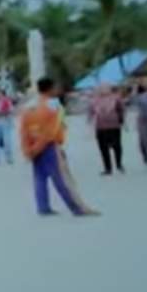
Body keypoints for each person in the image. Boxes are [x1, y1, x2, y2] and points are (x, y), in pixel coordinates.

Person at [21, 78, 98, 216]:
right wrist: (55, 140)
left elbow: (23, 130)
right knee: (61, 178)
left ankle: (43, 206)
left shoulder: (29, 106)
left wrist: (29, 149)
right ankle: (77, 208)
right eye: (55, 87)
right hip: (49, 145)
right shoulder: (54, 105)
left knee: (40, 177)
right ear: (50, 89)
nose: (57, 90)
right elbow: (56, 128)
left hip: (33, 145)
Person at [86, 85, 126, 175]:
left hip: (110, 126)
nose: (103, 90)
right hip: (104, 126)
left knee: (114, 147)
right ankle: (111, 167)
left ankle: (116, 165)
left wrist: (121, 119)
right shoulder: (95, 100)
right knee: (107, 148)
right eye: (101, 89)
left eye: (105, 88)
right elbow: (91, 112)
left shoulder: (115, 98)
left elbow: (121, 109)